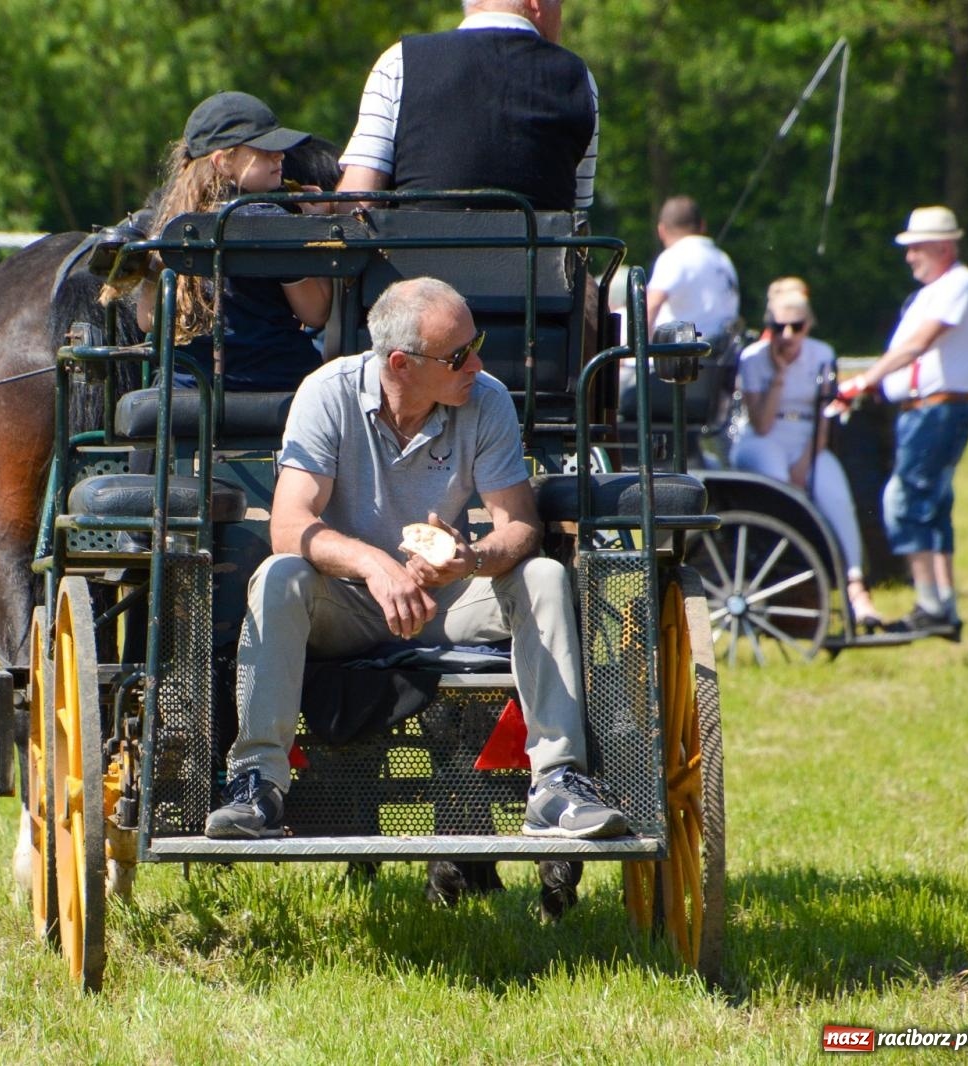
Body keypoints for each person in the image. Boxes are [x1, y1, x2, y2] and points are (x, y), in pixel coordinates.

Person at [204, 278, 628, 867]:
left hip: (444, 601)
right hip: (345, 607)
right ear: (400, 363)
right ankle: (258, 786)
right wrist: (375, 565)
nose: (477, 363)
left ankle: (556, 784)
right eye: (459, 355)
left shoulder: (488, 398)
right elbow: (289, 525)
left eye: (475, 343)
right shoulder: (327, 394)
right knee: (280, 575)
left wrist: (472, 559)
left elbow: (521, 526)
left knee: (545, 577)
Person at [830, 206, 968, 637]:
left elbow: (917, 346)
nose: (909, 256)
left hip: (935, 408)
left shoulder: (960, 284)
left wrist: (865, 380)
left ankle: (930, 604)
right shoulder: (933, 291)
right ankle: (941, 605)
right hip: (923, 408)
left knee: (905, 502)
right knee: (932, 507)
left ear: (942, 246)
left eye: (916, 247)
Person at [136, 91, 332, 391]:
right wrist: (315, 224)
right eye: (265, 149)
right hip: (278, 382)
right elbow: (315, 312)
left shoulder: (170, 228)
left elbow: (148, 320)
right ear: (223, 162)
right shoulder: (275, 223)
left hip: (190, 387)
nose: (280, 155)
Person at [336, 0, 598, 216]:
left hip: (415, 273)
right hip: (540, 277)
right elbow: (576, 221)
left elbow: (358, 203)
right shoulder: (578, 79)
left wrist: (321, 206)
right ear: (537, 3)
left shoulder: (398, 62)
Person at [731, 283, 880, 628]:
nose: (788, 335)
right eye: (780, 327)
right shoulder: (754, 359)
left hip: (809, 438)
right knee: (779, 480)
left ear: (808, 326)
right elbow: (762, 424)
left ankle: (857, 588)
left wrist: (808, 459)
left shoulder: (822, 354)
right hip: (764, 436)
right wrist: (780, 372)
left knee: (836, 495)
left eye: (796, 327)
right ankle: (795, 570)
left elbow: (825, 414)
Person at [645, 196, 740, 344]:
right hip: (726, 356)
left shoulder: (675, 256)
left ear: (661, 230)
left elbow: (650, 306)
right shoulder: (722, 259)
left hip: (687, 358)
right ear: (702, 226)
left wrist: (636, 350)